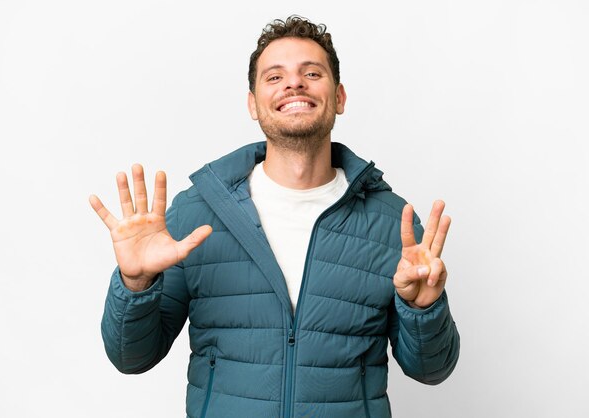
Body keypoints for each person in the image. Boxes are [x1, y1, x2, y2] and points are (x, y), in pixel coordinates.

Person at [90, 15, 459, 418]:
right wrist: (136, 283)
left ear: (339, 97)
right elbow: (131, 358)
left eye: (311, 72)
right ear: (253, 104)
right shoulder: (197, 213)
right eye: (274, 76)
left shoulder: (392, 223)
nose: (294, 84)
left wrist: (423, 309)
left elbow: (432, 370)